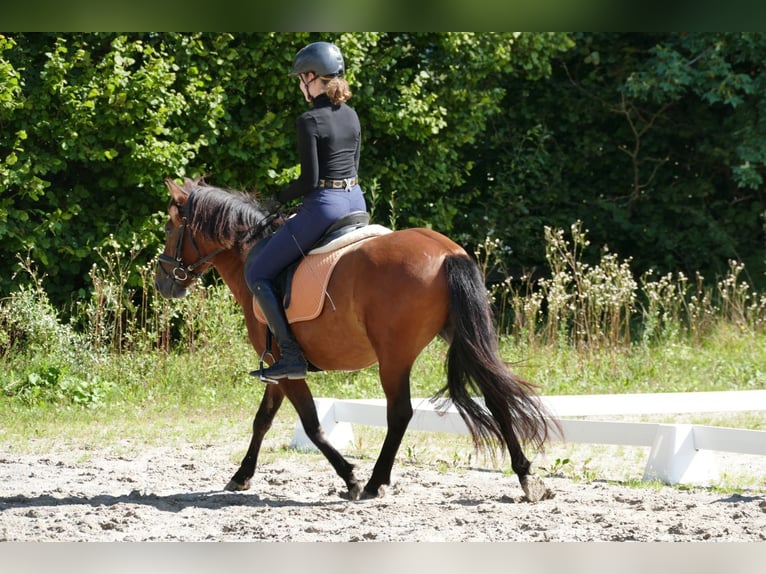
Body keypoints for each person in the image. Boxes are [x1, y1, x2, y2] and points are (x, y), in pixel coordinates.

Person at [245, 41, 367, 382]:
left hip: (325, 207)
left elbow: (311, 180)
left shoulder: (309, 119)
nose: (301, 85)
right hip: (356, 202)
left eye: (302, 79)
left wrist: (278, 199)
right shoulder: (352, 115)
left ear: (313, 78)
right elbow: (351, 167)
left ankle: (293, 357)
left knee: (258, 274)